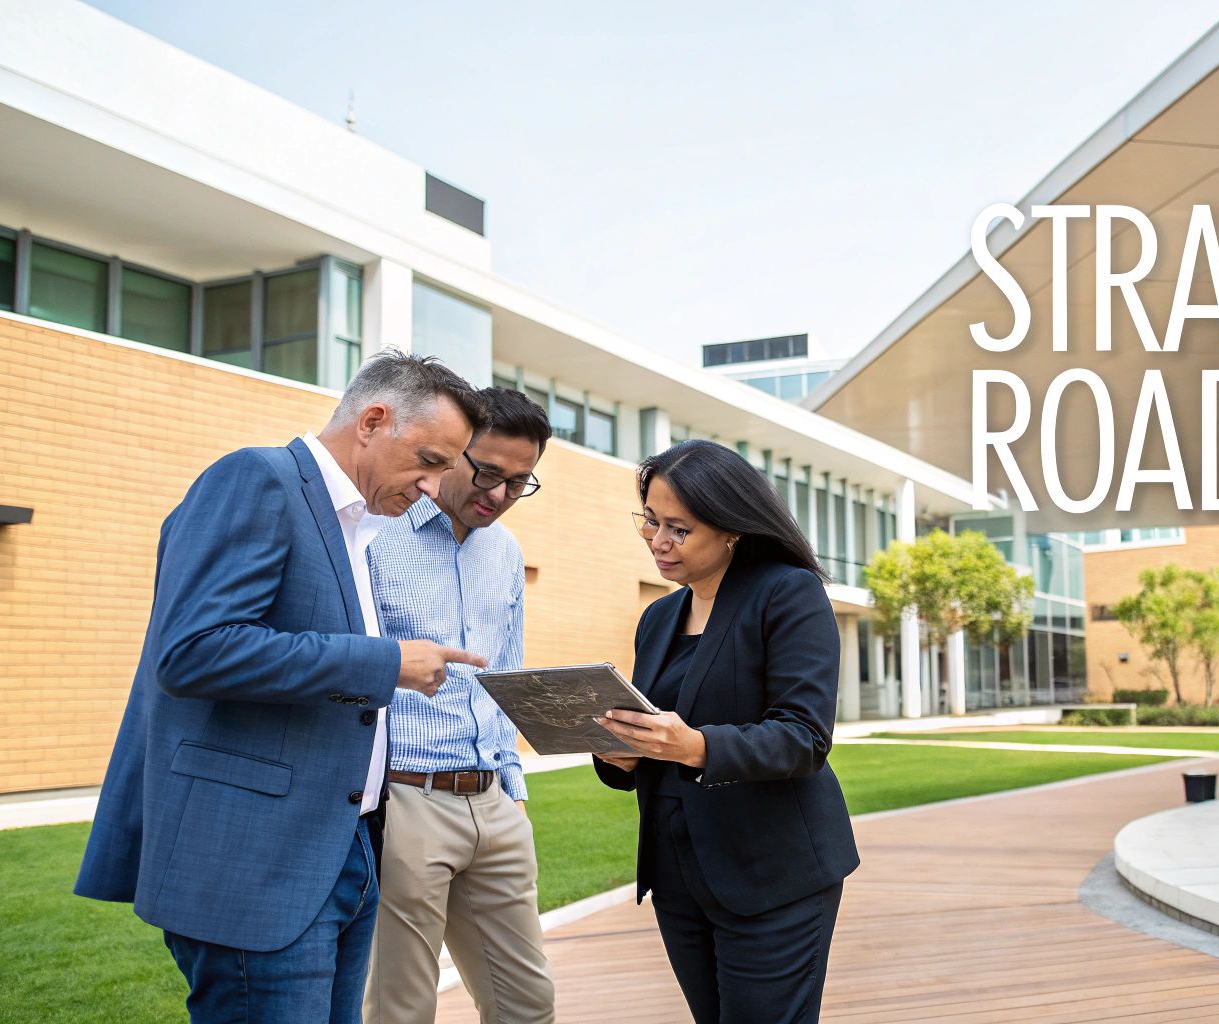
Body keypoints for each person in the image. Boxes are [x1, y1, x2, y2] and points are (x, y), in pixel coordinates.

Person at [75, 353, 489, 1024]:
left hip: (343, 849)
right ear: (373, 421)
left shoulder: (353, 524)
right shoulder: (256, 479)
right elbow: (192, 651)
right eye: (431, 460)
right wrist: (384, 664)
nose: (435, 487)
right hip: (255, 862)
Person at [593, 439, 860, 1024]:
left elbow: (803, 736)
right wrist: (623, 752)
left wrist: (696, 745)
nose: (658, 542)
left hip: (774, 874)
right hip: (679, 877)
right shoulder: (659, 617)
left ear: (733, 529)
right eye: (650, 522)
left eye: (679, 529)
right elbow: (658, 730)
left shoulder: (788, 593)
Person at [363, 387, 556, 1023]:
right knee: (403, 1008)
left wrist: (510, 782)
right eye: (489, 473)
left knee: (527, 1004)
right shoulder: (373, 537)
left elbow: (507, 669)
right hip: (406, 799)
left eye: (519, 483)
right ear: (452, 452)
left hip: (493, 803)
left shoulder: (504, 552)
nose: (499, 496)